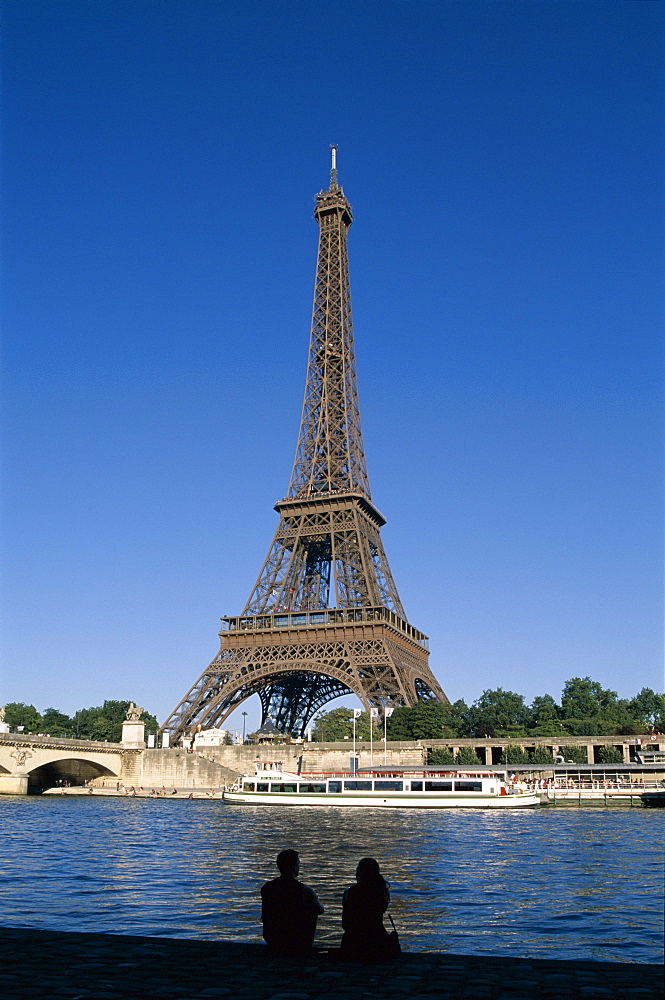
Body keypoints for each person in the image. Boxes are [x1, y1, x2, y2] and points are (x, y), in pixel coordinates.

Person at [261, 849, 324, 955]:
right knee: (312, 910)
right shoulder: (304, 890)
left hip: (272, 937)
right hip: (296, 939)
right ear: (294, 866)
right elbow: (320, 909)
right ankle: (306, 947)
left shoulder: (267, 888)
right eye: (298, 863)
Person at [339, 858, 396, 963]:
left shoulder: (349, 893)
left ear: (360, 873)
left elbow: (345, 924)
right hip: (377, 940)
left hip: (353, 942)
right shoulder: (381, 892)